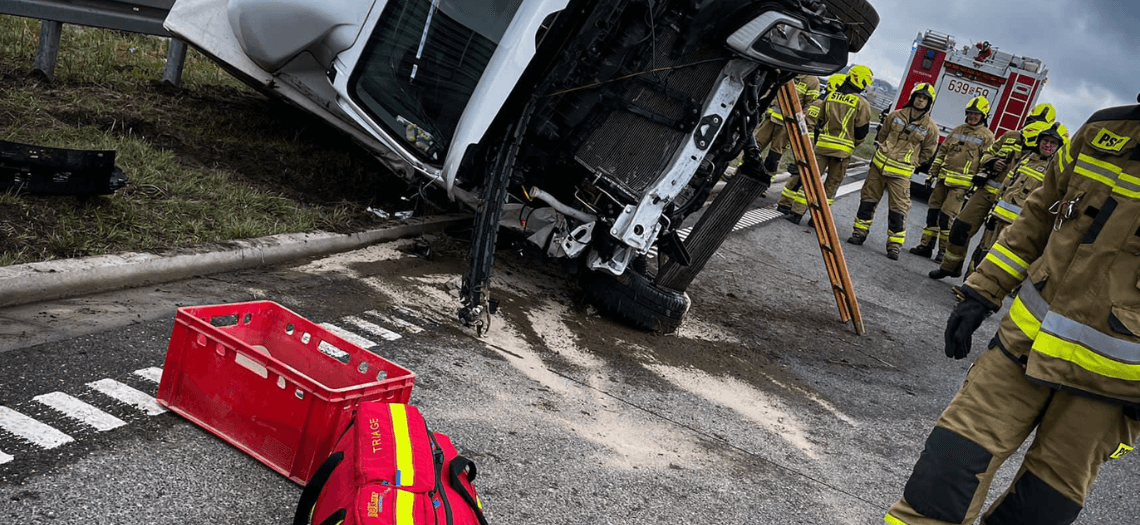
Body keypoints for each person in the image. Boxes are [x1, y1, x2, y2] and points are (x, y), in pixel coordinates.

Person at [884, 96, 1140, 525]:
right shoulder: (1103, 130)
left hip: (1113, 387)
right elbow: (1039, 215)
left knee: (1039, 510)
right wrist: (983, 291)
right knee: (944, 472)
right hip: (1021, 349)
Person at [929, 103, 1057, 279]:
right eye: (1033, 120)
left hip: (1008, 203)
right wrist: (992, 162)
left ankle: (972, 280)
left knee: (987, 244)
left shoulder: (1044, 153)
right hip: (986, 192)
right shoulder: (1010, 136)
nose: (1034, 125)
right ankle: (949, 266)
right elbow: (987, 154)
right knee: (960, 227)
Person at [961, 121, 1068, 279]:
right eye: (1045, 141)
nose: (1048, 145)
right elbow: (1006, 186)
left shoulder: (1056, 171)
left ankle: (981, 291)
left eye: (1053, 143)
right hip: (999, 217)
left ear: (1060, 147)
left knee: (1000, 260)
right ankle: (968, 285)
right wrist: (993, 212)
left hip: (1019, 225)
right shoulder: (1026, 159)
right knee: (983, 251)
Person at [847, 82, 939, 259]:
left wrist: (912, 161)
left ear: (929, 102)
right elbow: (883, 135)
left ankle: (894, 246)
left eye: (925, 98)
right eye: (919, 96)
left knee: (898, 209)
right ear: (913, 97)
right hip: (879, 167)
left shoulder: (931, 128)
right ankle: (859, 234)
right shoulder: (895, 115)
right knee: (868, 200)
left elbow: (928, 152)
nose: (921, 100)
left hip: (901, 174)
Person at [780, 67, 872, 225]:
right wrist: (852, 143)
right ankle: (817, 220)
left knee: (810, 180)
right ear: (861, 80)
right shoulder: (862, 103)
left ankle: (796, 213)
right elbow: (861, 131)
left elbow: (819, 122)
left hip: (821, 148)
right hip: (842, 153)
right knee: (830, 186)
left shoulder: (830, 97)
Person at [910, 96, 995, 260]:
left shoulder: (987, 137)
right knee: (932, 214)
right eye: (970, 113)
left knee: (946, 218)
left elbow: (987, 161)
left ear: (983, 116)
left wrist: (978, 182)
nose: (972, 116)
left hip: (961, 187)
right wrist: (932, 173)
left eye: (976, 114)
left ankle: (943, 251)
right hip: (943, 180)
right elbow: (942, 152)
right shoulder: (957, 130)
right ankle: (926, 246)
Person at [777, 72, 844, 216]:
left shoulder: (827, 103)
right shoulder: (820, 103)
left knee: (802, 176)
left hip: (813, 145)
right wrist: (809, 146)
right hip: (808, 144)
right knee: (798, 176)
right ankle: (784, 203)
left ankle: (787, 203)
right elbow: (809, 124)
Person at [751, 74, 821, 177]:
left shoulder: (812, 81)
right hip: (770, 119)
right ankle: (739, 173)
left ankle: (765, 182)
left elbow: (810, 104)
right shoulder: (789, 72)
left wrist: (798, 121)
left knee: (774, 156)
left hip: (788, 126)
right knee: (754, 147)